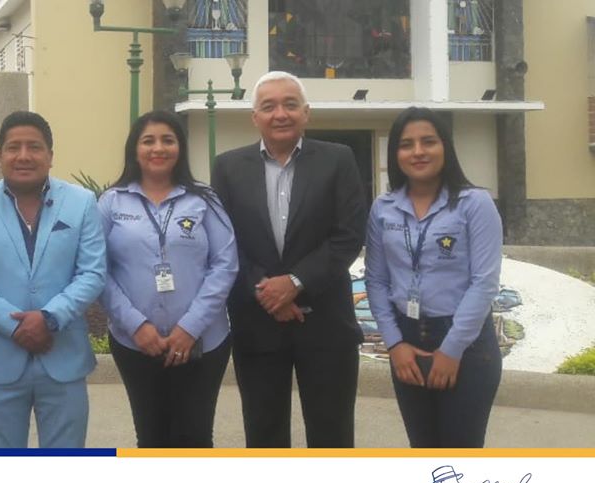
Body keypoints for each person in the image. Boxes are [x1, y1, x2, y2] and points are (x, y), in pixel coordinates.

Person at [211, 71, 367, 448]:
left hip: (326, 324)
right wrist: (266, 291)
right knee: (264, 436)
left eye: (290, 105)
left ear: (306, 112)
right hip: (257, 322)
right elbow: (223, 241)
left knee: (332, 437)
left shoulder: (338, 159)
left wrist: (295, 283)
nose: (280, 114)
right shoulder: (228, 167)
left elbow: (348, 235)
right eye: (269, 106)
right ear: (255, 117)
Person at [0, 111, 106, 448]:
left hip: (63, 356)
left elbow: (92, 272)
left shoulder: (81, 203)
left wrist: (49, 318)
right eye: (13, 147)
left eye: (34, 147)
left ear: (50, 155)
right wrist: (16, 325)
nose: (23, 156)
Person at [365, 106, 502, 448]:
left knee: (460, 451)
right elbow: (376, 280)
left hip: (466, 345)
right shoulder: (383, 208)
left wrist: (451, 350)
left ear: (445, 147)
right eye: (406, 144)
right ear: (395, 154)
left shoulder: (474, 203)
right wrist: (394, 345)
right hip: (407, 341)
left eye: (428, 141)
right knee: (423, 448)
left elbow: (484, 282)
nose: (418, 152)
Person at [98, 110, 237, 448]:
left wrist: (190, 327)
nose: (158, 148)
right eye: (148, 141)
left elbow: (225, 263)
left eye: (168, 140)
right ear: (134, 149)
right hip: (135, 343)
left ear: (180, 148)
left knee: (196, 437)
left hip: (202, 342)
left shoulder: (203, 199)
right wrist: (136, 326)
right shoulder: (111, 202)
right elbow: (97, 269)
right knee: (151, 437)